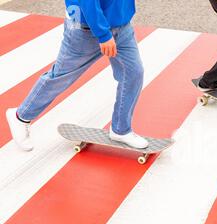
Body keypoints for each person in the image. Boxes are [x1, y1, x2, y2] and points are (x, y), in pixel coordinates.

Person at [6, 0, 148, 152]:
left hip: (121, 24)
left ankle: (121, 130)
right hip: (84, 29)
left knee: (133, 73)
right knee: (61, 76)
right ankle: (20, 116)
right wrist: (104, 35)